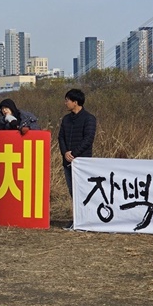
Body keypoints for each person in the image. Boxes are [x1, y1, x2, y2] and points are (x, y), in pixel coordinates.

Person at [58, 89, 96, 230]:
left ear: (75, 102)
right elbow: (60, 137)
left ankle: (87, 219)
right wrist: (65, 153)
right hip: (67, 162)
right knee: (73, 192)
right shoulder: (66, 119)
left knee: (83, 191)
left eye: (67, 100)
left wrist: (74, 153)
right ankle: (77, 219)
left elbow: (88, 139)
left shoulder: (89, 118)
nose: (65, 102)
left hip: (82, 162)